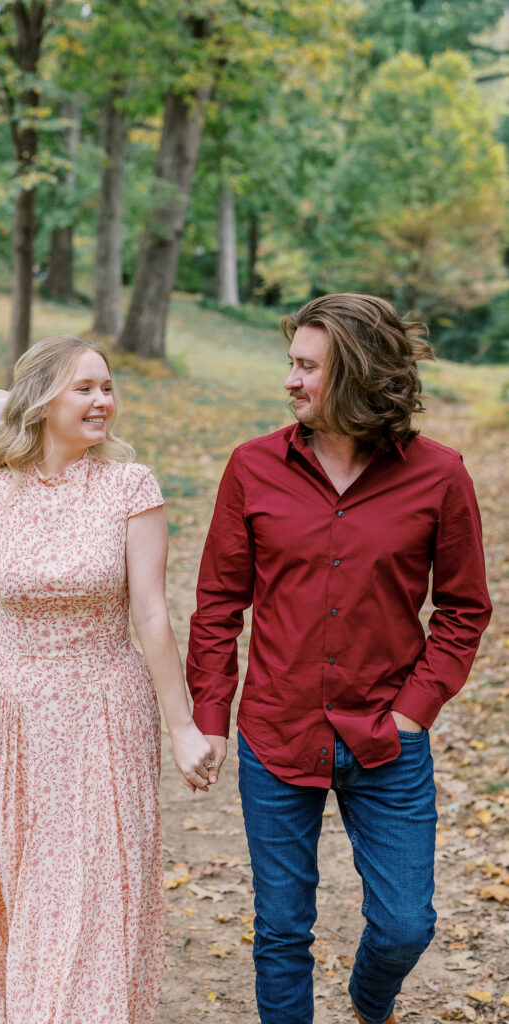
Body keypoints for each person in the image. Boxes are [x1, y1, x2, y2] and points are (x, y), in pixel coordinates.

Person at [186, 294, 492, 1024]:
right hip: (276, 731)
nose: (288, 380)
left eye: (306, 367)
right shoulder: (253, 466)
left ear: (355, 373)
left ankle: (369, 1001)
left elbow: (463, 609)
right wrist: (211, 717)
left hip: (387, 739)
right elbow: (218, 604)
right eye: (290, 363)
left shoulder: (439, 475)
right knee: (281, 929)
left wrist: (414, 712)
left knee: (405, 926)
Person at [0, 334, 214, 1024]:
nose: (102, 400)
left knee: (93, 892)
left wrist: (182, 728)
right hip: (11, 718)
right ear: (39, 400)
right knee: (23, 887)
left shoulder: (131, 487)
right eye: (84, 387)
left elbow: (151, 613)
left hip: (104, 713)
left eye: (107, 387)